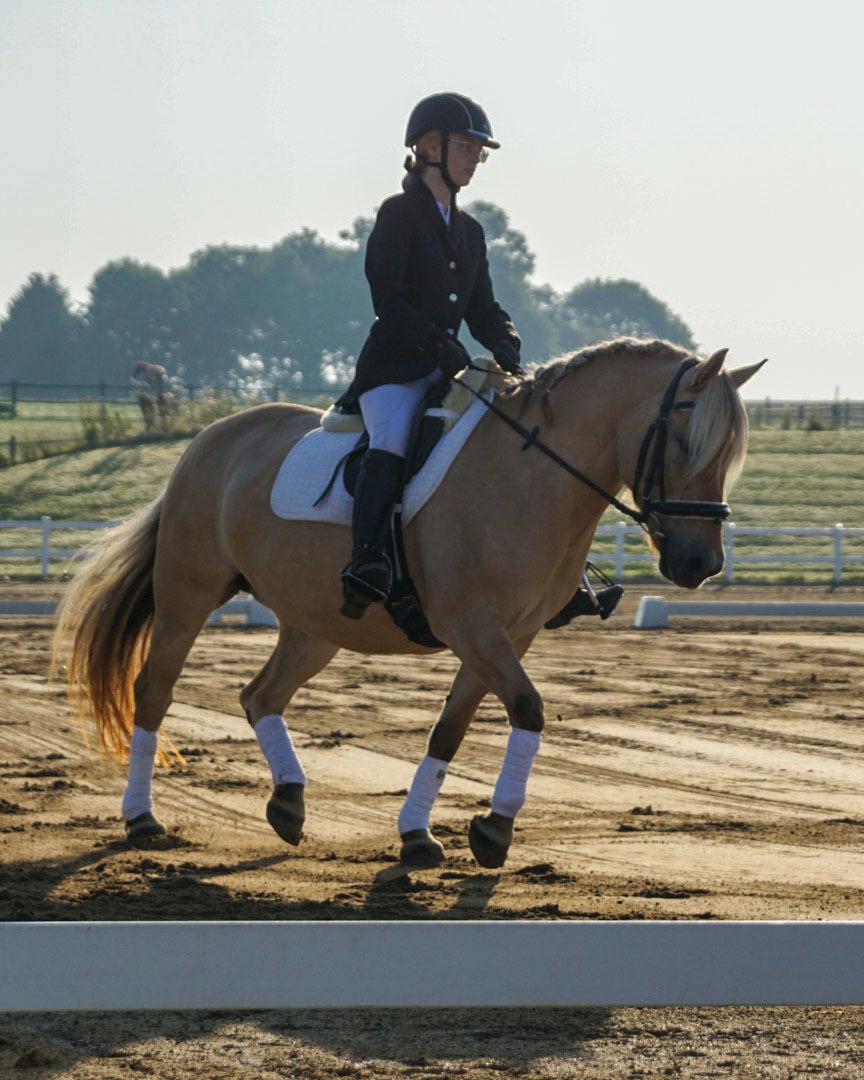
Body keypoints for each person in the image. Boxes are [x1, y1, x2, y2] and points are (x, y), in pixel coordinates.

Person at [340, 92, 523, 618]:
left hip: (448, 372)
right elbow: (388, 300)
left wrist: (505, 339)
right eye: (465, 146)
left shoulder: (471, 231)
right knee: (393, 439)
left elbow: (482, 307)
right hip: (394, 371)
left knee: (509, 438)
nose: (474, 159)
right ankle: (365, 560)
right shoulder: (398, 215)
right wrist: (439, 346)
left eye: (478, 151)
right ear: (428, 147)